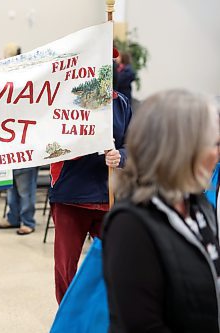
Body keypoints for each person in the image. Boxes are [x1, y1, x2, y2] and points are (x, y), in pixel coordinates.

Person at [103, 89, 220, 332]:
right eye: (212, 144)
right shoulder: (131, 225)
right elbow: (143, 325)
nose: (216, 154)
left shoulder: (198, 204)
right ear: (179, 149)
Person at [49, 48, 132, 304]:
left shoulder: (121, 103)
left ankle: (107, 317)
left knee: (115, 266)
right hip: (71, 197)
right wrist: (85, 146)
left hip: (109, 197)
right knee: (66, 269)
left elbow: (133, 146)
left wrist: (121, 156)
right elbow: (52, 145)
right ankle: (68, 319)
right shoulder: (65, 101)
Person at [0, 43, 38, 236]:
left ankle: (27, 220)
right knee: (11, 185)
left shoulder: (29, 86)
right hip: (8, 142)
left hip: (26, 142)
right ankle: (13, 217)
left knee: (25, 187)